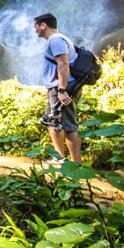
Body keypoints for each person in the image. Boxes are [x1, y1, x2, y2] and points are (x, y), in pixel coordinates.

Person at [33, 13, 81, 165]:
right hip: (59, 87)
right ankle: (60, 159)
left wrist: (61, 90)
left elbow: (63, 64)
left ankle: (75, 165)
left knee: (68, 125)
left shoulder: (56, 40)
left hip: (61, 88)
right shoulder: (59, 39)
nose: (35, 31)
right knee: (53, 122)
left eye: (36, 27)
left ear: (43, 25)